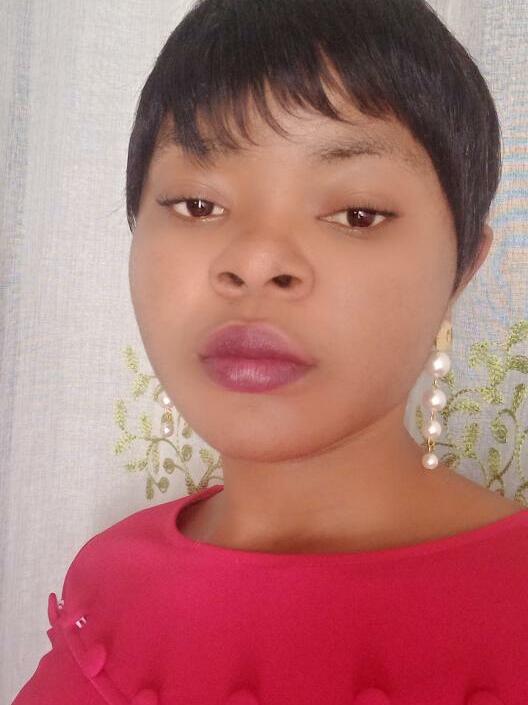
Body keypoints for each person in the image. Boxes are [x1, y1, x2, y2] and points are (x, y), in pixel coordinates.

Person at [12, 0, 528, 703]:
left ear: (463, 267)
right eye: (198, 204)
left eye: (356, 214)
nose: (255, 262)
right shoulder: (106, 580)